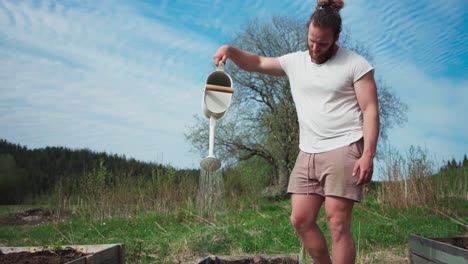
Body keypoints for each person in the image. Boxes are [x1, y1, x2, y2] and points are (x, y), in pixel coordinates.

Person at [213, 0, 379, 263]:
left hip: (344, 147)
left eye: (322, 43)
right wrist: (230, 51)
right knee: (300, 219)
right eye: (311, 40)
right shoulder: (295, 62)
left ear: (336, 38)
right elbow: (256, 62)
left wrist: (368, 153)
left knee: (337, 223)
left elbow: (370, 110)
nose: (315, 48)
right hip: (308, 152)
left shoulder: (355, 64)